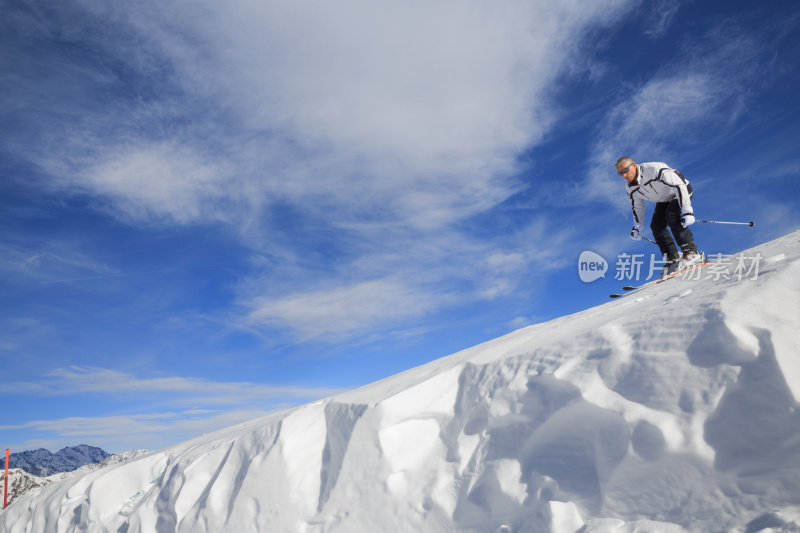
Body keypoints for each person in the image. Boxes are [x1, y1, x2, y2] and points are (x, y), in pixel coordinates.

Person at [616, 156, 704, 276]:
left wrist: (687, 211)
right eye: (620, 173)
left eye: (625, 171)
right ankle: (673, 259)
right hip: (664, 199)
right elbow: (637, 207)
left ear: (634, 165)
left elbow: (678, 185)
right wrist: (637, 227)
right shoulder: (630, 188)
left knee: (672, 216)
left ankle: (691, 252)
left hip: (680, 190)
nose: (624, 176)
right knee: (656, 226)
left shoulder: (654, 169)